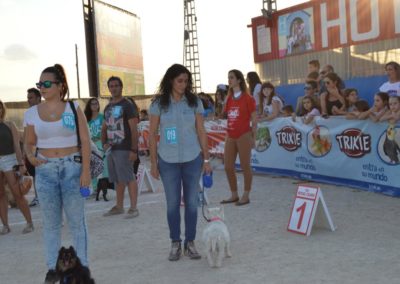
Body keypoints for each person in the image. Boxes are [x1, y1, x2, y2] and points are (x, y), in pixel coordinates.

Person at [24, 64, 91, 283]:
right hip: (45, 171)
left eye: (46, 83)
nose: (41, 87)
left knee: (77, 223)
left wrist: (86, 172)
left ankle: (82, 268)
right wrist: (31, 157)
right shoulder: (31, 113)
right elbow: (29, 142)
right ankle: (53, 269)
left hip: (72, 167)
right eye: (39, 84)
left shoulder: (74, 107)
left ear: (60, 86)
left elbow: (85, 140)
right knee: (51, 224)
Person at [148, 64, 211, 261]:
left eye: (186, 81)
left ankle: (190, 243)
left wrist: (206, 159)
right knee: (172, 204)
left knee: (192, 203)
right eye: (179, 81)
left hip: (193, 159)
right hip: (167, 161)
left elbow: (201, 131)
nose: (183, 84)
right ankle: (175, 243)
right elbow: (152, 134)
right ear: (170, 80)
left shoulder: (194, 102)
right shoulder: (158, 104)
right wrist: (153, 163)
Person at [101, 77, 139, 218]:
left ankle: (134, 208)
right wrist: (104, 142)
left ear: (121, 87)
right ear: (109, 88)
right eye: (111, 86)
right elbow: (105, 127)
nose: (114, 88)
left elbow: (134, 129)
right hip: (112, 149)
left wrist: (134, 150)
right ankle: (119, 206)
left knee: (129, 177)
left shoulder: (127, 105)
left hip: (125, 147)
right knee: (118, 179)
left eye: (116, 85)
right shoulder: (108, 107)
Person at [220, 69, 257, 206]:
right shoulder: (229, 98)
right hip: (231, 135)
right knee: (228, 166)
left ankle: (246, 195)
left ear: (239, 80)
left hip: (244, 135)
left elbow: (254, 118)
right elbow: (227, 116)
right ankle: (234, 194)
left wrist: (253, 136)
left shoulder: (248, 98)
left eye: (232, 77)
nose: (229, 80)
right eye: (228, 77)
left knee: (245, 166)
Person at [0, 100, 34, 235]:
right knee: (0, 195)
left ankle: (29, 223)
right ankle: (5, 225)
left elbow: (16, 145)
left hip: (9, 160)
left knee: (17, 194)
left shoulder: (10, 125)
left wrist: (21, 164)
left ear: (3, 109)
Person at [84, 98, 107, 193]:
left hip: (100, 144)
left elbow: (106, 130)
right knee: (91, 165)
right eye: (92, 104)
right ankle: (94, 187)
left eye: (96, 103)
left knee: (101, 166)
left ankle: (103, 186)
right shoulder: (86, 118)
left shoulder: (102, 117)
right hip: (90, 144)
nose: (94, 105)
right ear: (89, 106)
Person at [25, 88, 41, 207]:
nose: (28, 100)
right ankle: (37, 196)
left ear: (38, 98)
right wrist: (26, 151)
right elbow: (26, 134)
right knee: (35, 174)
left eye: (31, 97)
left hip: (45, 149)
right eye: (28, 98)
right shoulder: (28, 113)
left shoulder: (45, 110)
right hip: (33, 149)